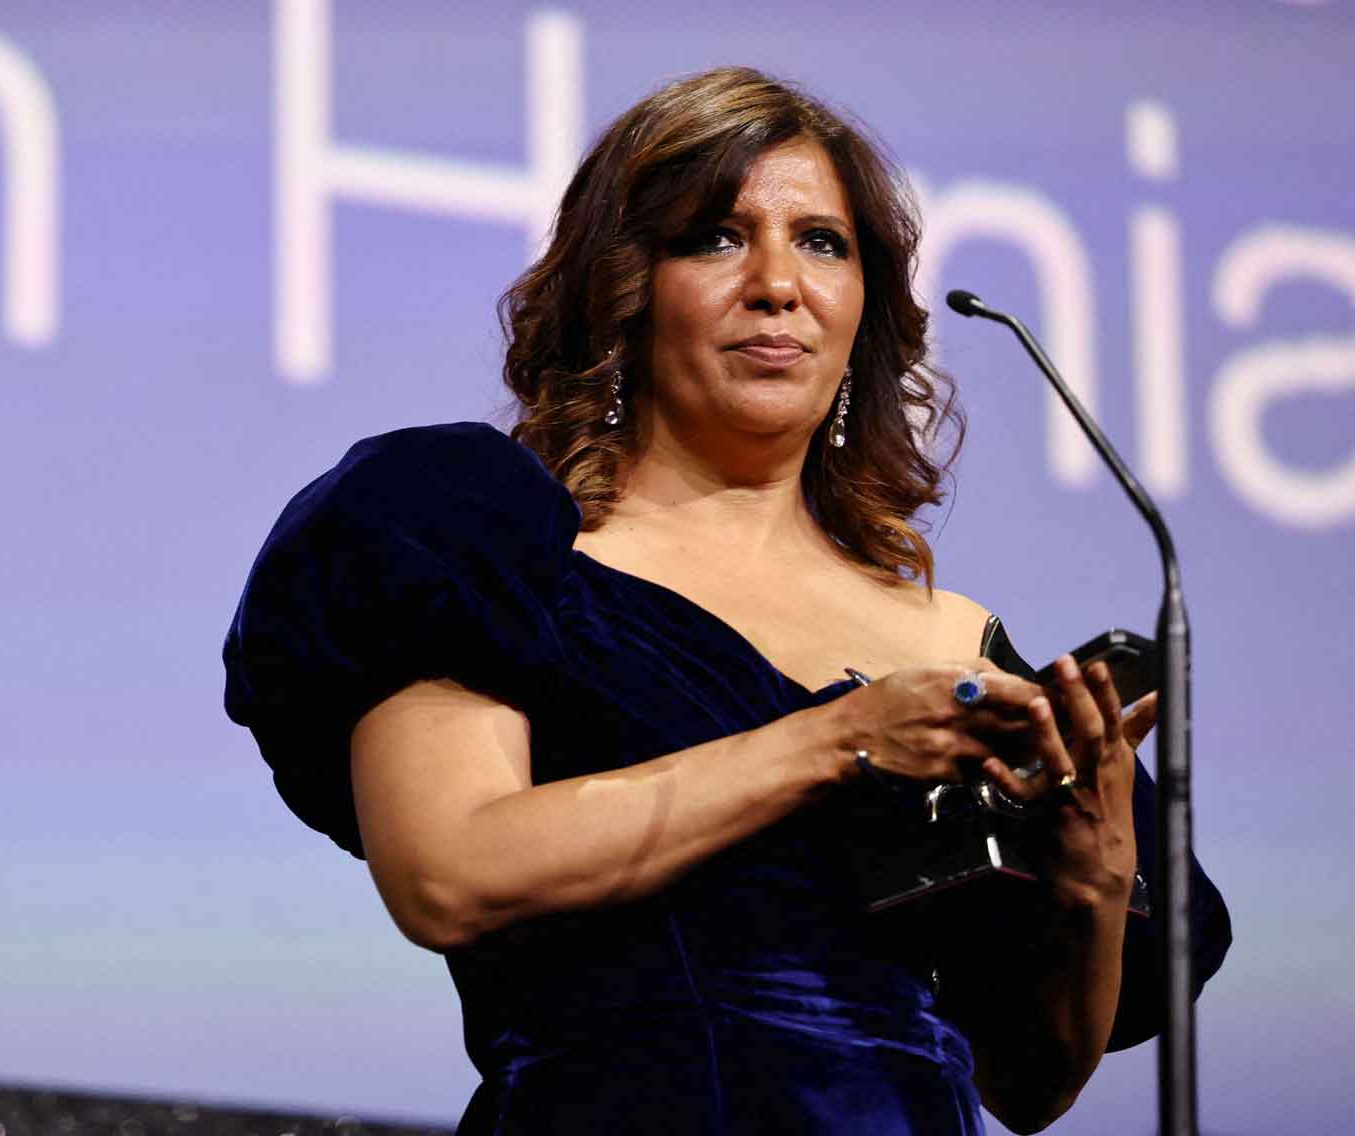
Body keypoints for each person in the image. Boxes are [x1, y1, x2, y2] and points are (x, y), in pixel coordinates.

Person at [224, 67, 1230, 1135]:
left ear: (863, 308)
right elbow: (447, 872)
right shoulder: (480, 540)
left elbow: (1027, 1083)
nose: (777, 283)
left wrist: (1090, 877)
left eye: (822, 241)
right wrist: (834, 739)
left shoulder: (954, 641)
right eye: (715, 235)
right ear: (627, 284)